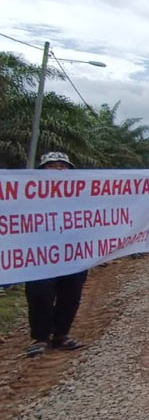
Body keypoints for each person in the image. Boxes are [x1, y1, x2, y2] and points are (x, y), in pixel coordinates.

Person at [24, 152, 88, 357]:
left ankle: (61, 335)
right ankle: (40, 338)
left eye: (63, 165)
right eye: (52, 165)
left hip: (73, 254)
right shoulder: (26, 195)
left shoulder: (82, 196)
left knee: (70, 295)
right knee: (39, 295)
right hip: (38, 254)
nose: (58, 169)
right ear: (42, 170)